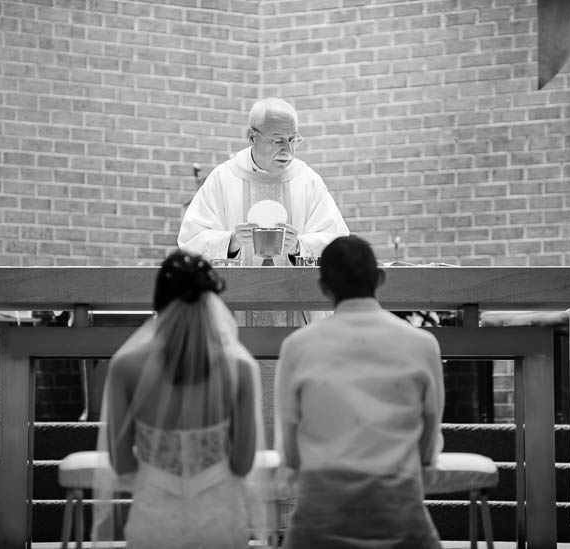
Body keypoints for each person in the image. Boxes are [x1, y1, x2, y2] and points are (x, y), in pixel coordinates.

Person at [274, 235, 445, 548]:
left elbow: (290, 449)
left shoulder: (297, 348)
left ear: (323, 287)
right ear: (380, 278)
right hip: (398, 516)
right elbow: (428, 445)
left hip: (319, 520)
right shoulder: (422, 345)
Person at [91, 250, 268, 548]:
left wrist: (160, 479)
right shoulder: (241, 367)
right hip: (220, 521)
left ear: (158, 303)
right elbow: (242, 463)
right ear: (212, 303)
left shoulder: (126, 365)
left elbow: (121, 464)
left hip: (155, 522)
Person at [178, 97, 349, 265]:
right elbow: (191, 242)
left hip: (295, 290)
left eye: (293, 140)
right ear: (252, 137)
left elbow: (337, 243)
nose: (288, 150)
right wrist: (231, 242)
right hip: (236, 290)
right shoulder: (223, 178)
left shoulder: (308, 180)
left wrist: (298, 246)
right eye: (278, 140)